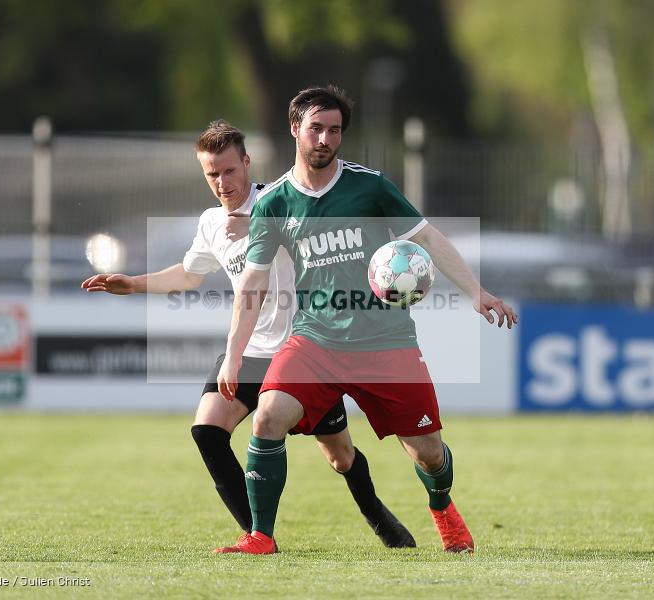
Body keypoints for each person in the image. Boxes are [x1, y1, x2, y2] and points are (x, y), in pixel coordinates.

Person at [81, 119, 415, 549]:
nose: (222, 182)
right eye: (212, 174)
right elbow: (188, 275)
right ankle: (257, 534)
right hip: (250, 350)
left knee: (340, 456)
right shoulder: (209, 224)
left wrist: (256, 223)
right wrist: (133, 283)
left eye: (230, 171)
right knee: (207, 431)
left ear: (247, 163)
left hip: (303, 349)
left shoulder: (280, 201)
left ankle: (380, 519)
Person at [215, 87, 518, 555]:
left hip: (386, 341)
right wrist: (233, 356)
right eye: (315, 128)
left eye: (334, 130)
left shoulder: (369, 186)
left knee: (429, 452)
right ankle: (261, 536)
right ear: (295, 128)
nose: (325, 139)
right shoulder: (274, 203)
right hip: (315, 340)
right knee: (269, 416)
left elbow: (429, 239)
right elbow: (251, 286)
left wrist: (475, 292)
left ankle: (441, 506)